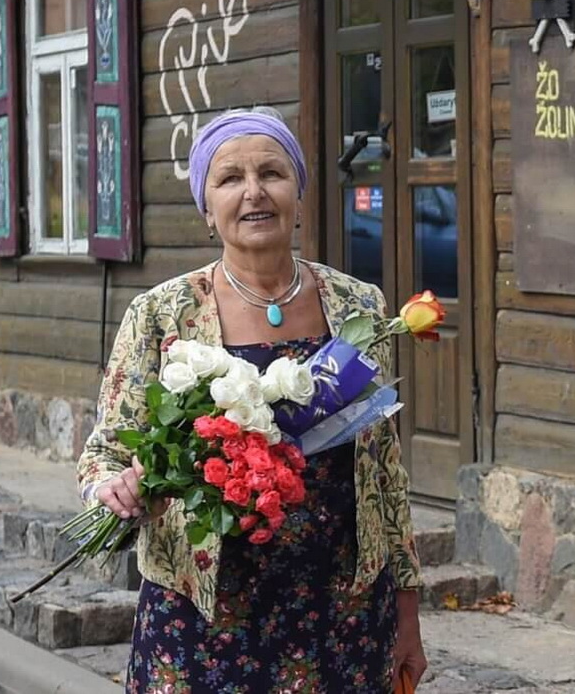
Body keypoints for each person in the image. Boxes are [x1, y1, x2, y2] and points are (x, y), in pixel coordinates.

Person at [78, 107, 428, 693]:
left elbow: (385, 473)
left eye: (271, 173)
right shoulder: (162, 315)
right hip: (202, 618)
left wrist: (407, 613)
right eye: (230, 178)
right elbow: (104, 453)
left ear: (298, 193)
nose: (254, 192)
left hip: (342, 616)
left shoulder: (359, 307)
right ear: (206, 207)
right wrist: (113, 489)